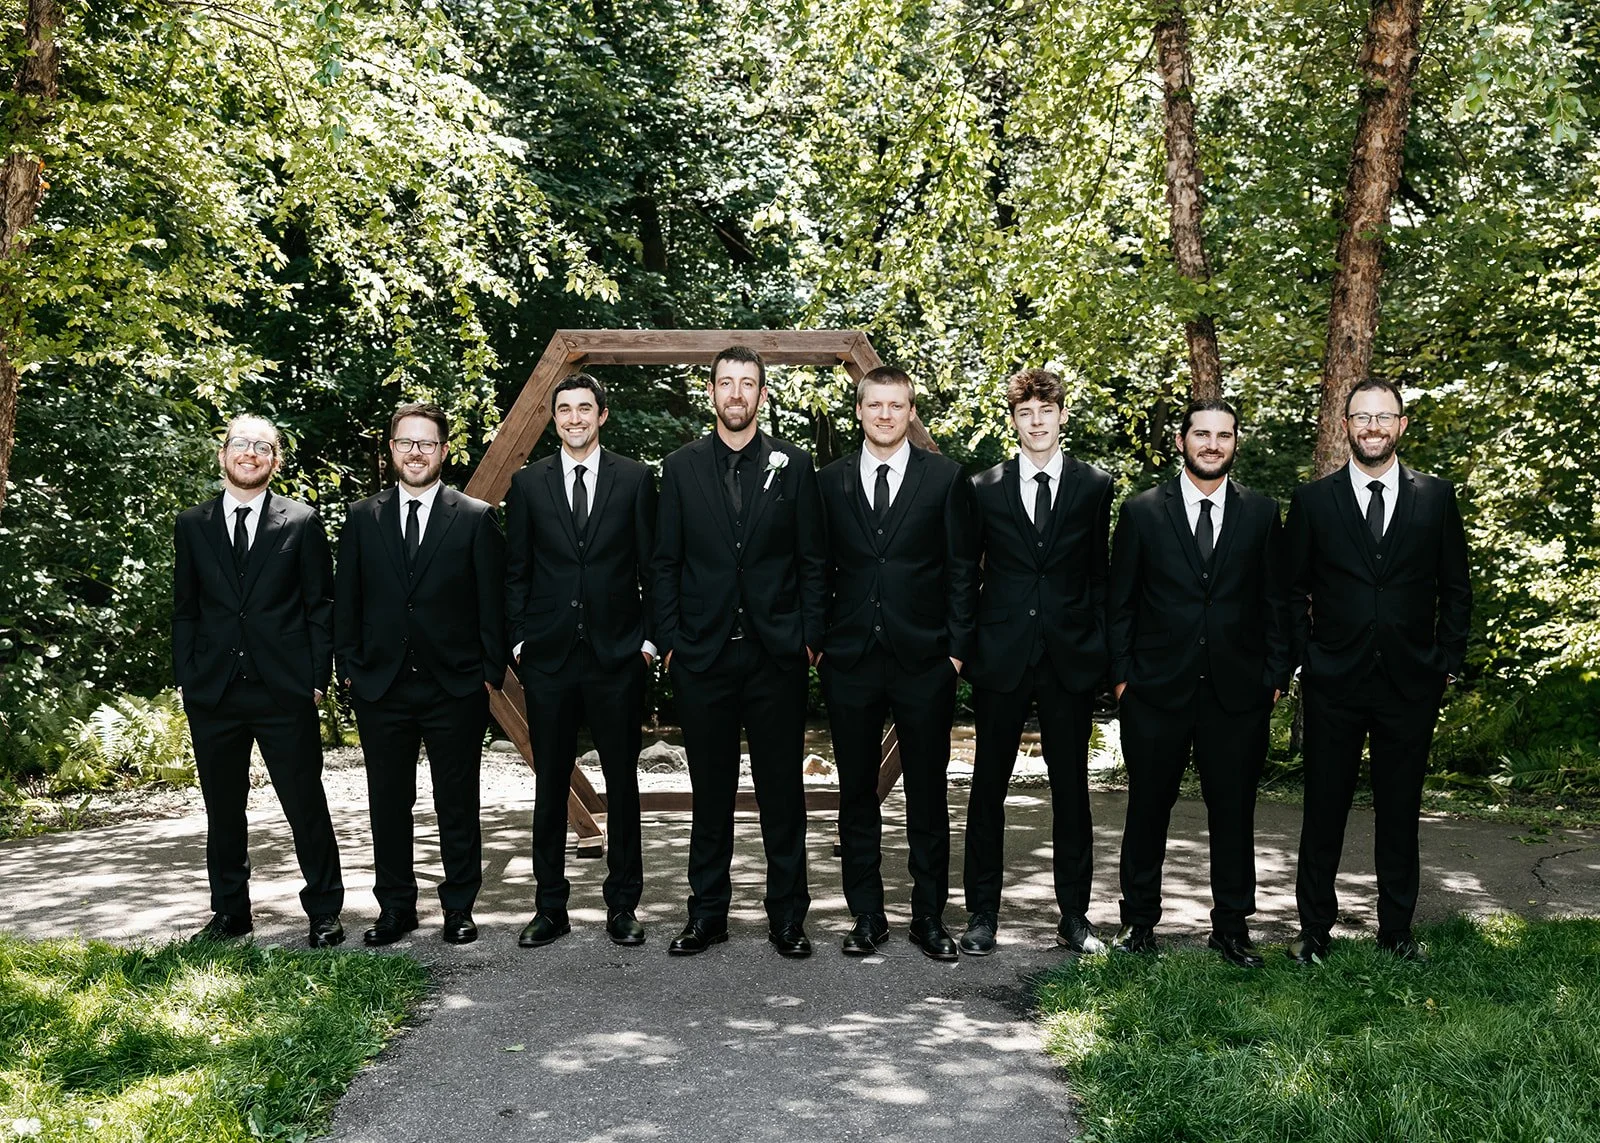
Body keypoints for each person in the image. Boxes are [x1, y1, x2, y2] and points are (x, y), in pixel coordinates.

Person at [1284, 378, 1471, 964]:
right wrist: (1303, 657)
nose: (1372, 427)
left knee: (1400, 810)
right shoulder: (1314, 501)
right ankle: (1314, 930)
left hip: (1410, 682)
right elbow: (1289, 591)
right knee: (1323, 809)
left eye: (1383, 417)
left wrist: (1446, 661)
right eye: (1361, 417)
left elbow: (1456, 588)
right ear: (1346, 425)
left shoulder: (1436, 497)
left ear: (1401, 426)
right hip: (1333, 680)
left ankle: (1396, 931)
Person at [651, 345, 826, 957]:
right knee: (711, 792)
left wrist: (808, 639)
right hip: (702, 658)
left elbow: (812, 561)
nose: (736, 394)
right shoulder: (678, 467)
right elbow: (664, 562)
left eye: (747, 384)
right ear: (712, 394)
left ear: (761, 395)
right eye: (726, 383)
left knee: (783, 793)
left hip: (776, 655)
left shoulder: (794, 464)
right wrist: (671, 641)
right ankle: (707, 915)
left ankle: (787, 917)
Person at [1106, 398, 1291, 967]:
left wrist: (1275, 676)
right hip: (1155, 691)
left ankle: (1232, 928)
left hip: (1238, 693)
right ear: (1182, 440)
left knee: (1233, 813)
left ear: (1237, 443)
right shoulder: (1140, 512)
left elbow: (1278, 601)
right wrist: (1121, 680)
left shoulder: (1261, 514)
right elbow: (1120, 605)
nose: (1212, 444)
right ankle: (1138, 925)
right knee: (1147, 810)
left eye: (1224, 435)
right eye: (1202, 434)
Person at [817, 366, 978, 960]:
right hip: (850, 657)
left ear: (911, 411)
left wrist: (956, 650)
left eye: (897, 405)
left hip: (925, 658)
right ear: (859, 411)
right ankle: (866, 916)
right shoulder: (828, 481)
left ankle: (929, 918)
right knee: (855, 792)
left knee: (928, 793)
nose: (885, 415)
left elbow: (962, 569)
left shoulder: (945, 478)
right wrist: (818, 641)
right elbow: (816, 566)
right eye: (875, 404)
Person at [334, 402, 506, 946]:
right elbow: (348, 600)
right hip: (381, 685)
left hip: (455, 685)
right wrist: (350, 668)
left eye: (426, 443)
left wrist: (489, 673)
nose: (415, 452)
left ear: (443, 451)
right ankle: (396, 909)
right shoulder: (363, 518)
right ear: (391, 451)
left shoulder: (475, 516)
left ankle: (459, 908)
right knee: (388, 801)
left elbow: (492, 604)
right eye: (406, 442)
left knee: (457, 801)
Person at [172, 414, 345, 947]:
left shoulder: (300, 522)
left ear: (276, 460)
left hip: (283, 689)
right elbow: (185, 609)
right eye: (241, 445)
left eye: (263, 447)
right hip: (214, 690)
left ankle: (324, 911)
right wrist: (186, 678)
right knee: (222, 808)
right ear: (222, 454)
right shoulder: (192, 523)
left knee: (304, 803)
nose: (251, 454)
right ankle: (230, 913)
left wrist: (317, 679)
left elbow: (321, 607)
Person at [959, 368, 1112, 957]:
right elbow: (967, 573)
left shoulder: (1095, 485)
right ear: (1014, 420)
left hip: (1069, 657)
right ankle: (982, 914)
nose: (1038, 421)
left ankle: (1075, 916)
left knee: (1072, 791)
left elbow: (1100, 574)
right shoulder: (984, 486)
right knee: (987, 788)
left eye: (1047, 410)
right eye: (1026, 413)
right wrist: (973, 646)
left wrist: (1096, 648)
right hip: (1001, 655)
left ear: (1062, 415)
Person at [505, 374, 656, 948]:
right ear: (553, 418)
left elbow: (652, 566)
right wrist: (520, 641)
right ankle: (550, 907)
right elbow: (516, 570)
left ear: (602, 415)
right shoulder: (528, 484)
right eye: (564, 409)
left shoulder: (636, 480)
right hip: (548, 657)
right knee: (550, 785)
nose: (573, 418)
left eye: (584, 409)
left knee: (622, 784)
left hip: (617, 656)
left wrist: (645, 643)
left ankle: (623, 906)